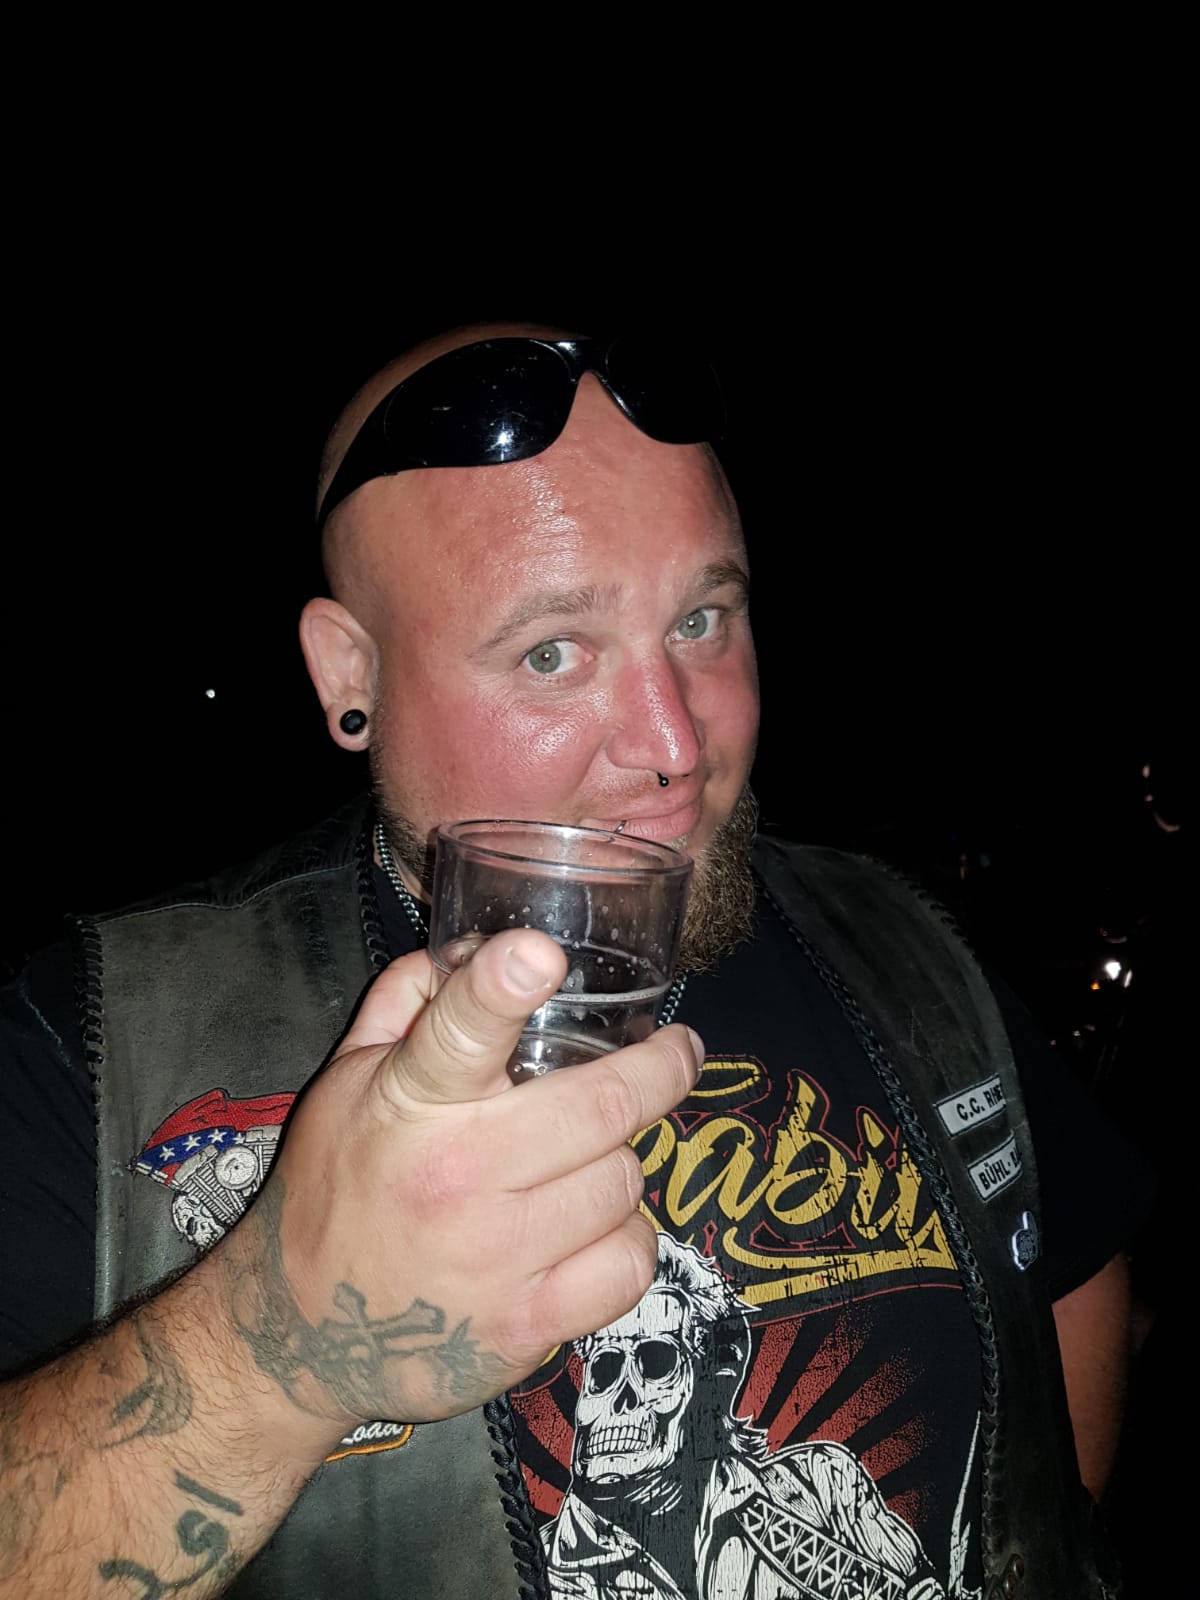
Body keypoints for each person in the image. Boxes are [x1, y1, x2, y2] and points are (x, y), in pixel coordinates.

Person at [0, 324, 1148, 1599]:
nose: (675, 743)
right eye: (552, 651)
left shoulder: (905, 941)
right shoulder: (98, 1038)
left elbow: (1070, 1274)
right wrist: (276, 1351)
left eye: (702, 619)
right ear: (350, 672)